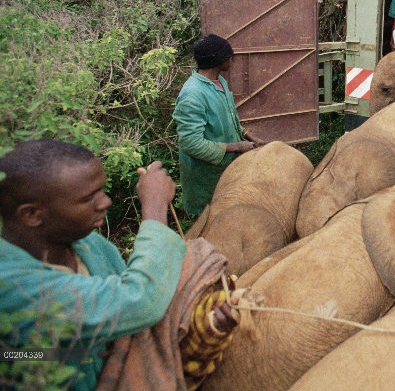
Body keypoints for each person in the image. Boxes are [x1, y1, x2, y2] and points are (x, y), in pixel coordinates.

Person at [0, 140, 241, 390]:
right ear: (32, 215)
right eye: (88, 198)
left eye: (102, 191)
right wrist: (155, 206)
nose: (105, 203)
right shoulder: (14, 288)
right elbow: (139, 300)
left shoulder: (90, 245)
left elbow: (132, 295)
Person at [174, 34, 260, 215]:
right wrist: (237, 146)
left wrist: (245, 134)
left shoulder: (219, 82)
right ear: (217, 60)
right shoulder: (192, 95)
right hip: (206, 177)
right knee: (208, 223)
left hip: (226, 171)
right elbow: (191, 143)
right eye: (228, 56)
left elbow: (224, 119)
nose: (231, 59)